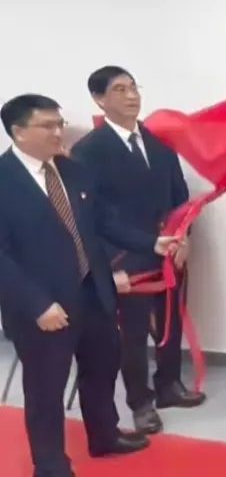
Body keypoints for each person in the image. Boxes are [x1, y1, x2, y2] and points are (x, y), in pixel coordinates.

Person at [0, 94, 179, 477]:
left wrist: (151, 243)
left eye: (59, 123)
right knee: (46, 389)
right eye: (47, 125)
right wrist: (37, 305)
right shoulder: (4, 180)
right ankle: (50, 465)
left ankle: (104, 436)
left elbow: (102, 223)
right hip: (43, 306)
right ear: (18, 132)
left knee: (101, 370)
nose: (57, 132)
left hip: (92, 291)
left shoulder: (73, 170)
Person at [70, 66, 205, 436]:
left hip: (169, 251)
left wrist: (184, 237)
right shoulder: (88, 152)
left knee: (170, 324)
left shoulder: (159, 142)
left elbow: (180, 198)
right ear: (99, 99)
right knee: (131, 335)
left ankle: (169, 386)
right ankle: (140, 403)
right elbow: (89, 217)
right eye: (119, 89)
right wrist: (107, 269)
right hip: (124, 259)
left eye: (133, 87)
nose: (131, 96)